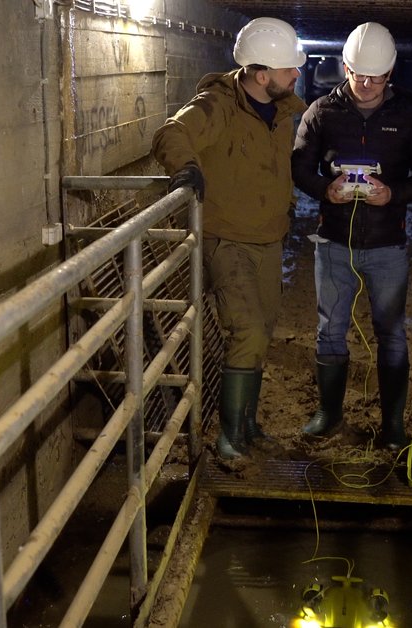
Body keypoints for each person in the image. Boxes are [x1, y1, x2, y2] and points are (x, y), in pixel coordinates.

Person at [151, 17, 306, 460]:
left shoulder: (281, 111)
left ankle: (248, 426)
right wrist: (187, 167)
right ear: (262, 76)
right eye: (288, 68)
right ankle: (228, 435)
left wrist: (286, 206)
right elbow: (171, 133)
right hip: (227, 240)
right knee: (248, 330)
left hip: (269, 239)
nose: (296, 73)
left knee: (263, 333)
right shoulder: (218, 105)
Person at [291, 22, 412, 450]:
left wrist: (393, 193)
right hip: (334, 240)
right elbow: (299, 167)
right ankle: (329, 414)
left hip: (387, 243)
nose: (366, 84)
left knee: (391, 332)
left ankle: (392, 425)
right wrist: (326, 189)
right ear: (346, 68)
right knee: (330, 330)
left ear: (390, 73)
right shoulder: (322, 112)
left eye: (376, 77)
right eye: (359, 75)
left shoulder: (409, 115)